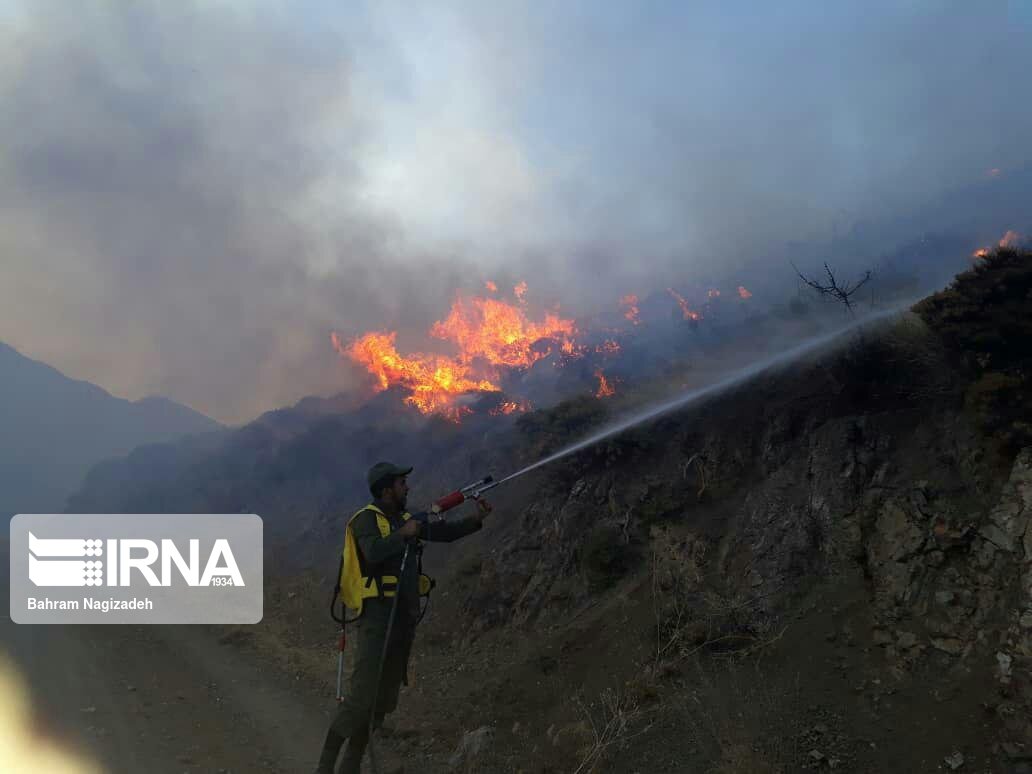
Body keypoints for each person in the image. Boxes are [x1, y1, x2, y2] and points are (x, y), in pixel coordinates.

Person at [314, 462, 491, 774]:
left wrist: (477, 521)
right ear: (386, 490)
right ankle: (324, 768)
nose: (407, 488)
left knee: (382, 701)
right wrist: (402, 535)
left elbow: (444, 533)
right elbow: (372, 552)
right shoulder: (366, 519)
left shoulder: (406, 518)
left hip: (402, 621)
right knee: (362, 698)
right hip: (377, 618)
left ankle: (350, 766)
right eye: (401, 483)